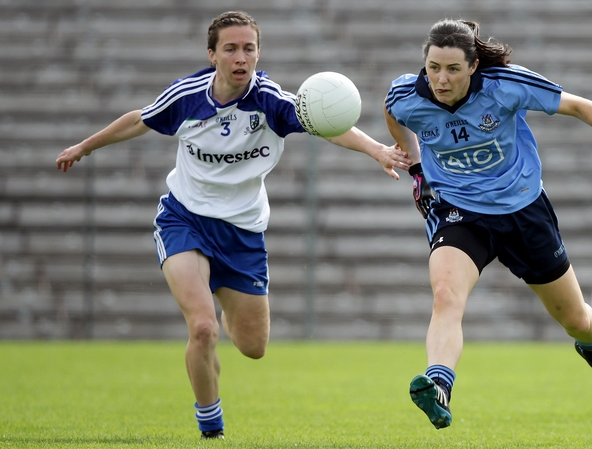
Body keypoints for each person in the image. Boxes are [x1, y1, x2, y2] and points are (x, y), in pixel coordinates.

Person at [56, 11, 411, 440]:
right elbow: (138, 120)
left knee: (252, 347)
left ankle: (225, 299)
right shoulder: (187, 97)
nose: (241, 57)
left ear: (258, 53)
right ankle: (211, 423)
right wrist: (84, 146)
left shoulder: (271, 102)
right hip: (184, 219)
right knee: (202, 328)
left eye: (249, 48)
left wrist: (377, 150)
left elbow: (327, 126)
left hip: (243, 232)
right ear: (212, 55)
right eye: (230, 49)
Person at [384, 19, 592, 430]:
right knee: (445, 295)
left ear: (473, 66)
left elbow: (576, 104)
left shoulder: (505, 85)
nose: (441, 79)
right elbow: (393, 114)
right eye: (433, 68)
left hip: (523, 211)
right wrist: (417, 166)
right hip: (460, 212)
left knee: (576, 319)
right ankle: (439, 385)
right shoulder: (406, 94)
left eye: (453, 69)